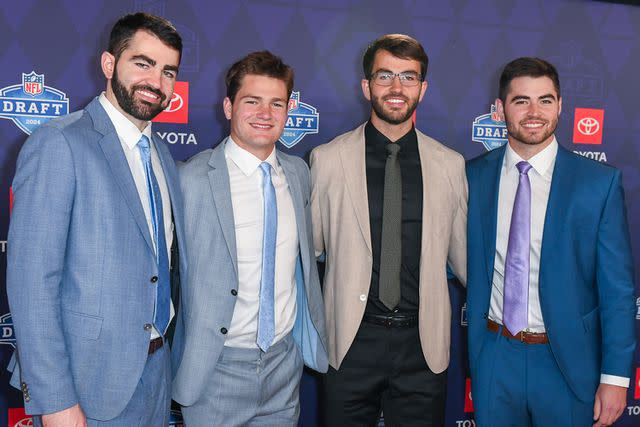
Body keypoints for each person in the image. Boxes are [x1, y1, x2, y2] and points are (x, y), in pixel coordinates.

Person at [6, 12, 186, 427]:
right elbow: (32, 284)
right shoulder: (59, 143)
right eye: (142, 63)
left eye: (168, 71)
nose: (156, 82)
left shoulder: (162, 156)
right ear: (109, 64)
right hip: (86, 386)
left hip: (157, 375)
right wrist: (54, 401)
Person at [466, 57, 635, 427]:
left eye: (545, 100)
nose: (534, 112)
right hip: (495, 354)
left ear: (560, 106)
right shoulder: (472, 177)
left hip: (567, 361)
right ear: (499, 109)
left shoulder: (597, 183)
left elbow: (618, 291)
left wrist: (616, 377)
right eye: (520, 100)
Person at [310, 34, 467, 426]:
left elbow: (465, 260)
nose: (397, 88)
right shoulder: (327, 160)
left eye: (408, 77)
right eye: (385, 76)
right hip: (350, 341)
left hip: (422, 345)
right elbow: (309, 249)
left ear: (423, 89)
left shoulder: (450, 165)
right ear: (366, 86)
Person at [171, 50, 328, 426]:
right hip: (216, 369)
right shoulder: (191, 179)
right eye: (252, 101)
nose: (265, 113)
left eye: (277, 103)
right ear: (228, 107)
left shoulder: (298, 173)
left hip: (282, 366)